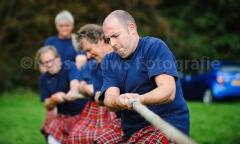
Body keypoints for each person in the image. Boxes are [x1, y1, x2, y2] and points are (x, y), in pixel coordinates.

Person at [98, 10, 190, 143]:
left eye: (116, 35)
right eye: (108, 39)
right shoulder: (109, 60)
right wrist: (117, 101)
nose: (112, 43)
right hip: (131, 130)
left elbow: (169, 91)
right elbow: (109, 99)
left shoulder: (154, 47)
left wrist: (141, 99)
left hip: (166, 125)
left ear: (131, 28)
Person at [67, 24, 123, 144]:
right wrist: (93, 91)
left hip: (132, 116)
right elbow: (97, 96)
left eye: (88, 50)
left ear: (100, 41)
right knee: (74, 137)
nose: (88, 56)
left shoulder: (124, 56)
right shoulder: (95, 68)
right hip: (117, 114)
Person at [36, 45, 88, 144]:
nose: (50, 64)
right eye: (46, 62)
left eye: (51, 60)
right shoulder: (43, 79)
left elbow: (75, 82)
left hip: (84, 115)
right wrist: (54, 98)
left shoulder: (70, 66)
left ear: (58, 58)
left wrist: (73, 92)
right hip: (63, 117)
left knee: (78, 138)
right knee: (52, 137)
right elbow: (47, 104)